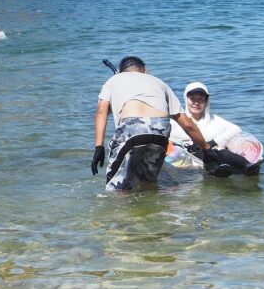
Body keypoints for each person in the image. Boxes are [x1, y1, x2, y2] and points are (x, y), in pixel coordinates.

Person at [92, 56, 218, 190]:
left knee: (117, 186)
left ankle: (119, 208)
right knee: (148, 183)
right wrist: (206, 149)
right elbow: (186, 123)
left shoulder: (113, 80)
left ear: (121, 71)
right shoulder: (159, 83)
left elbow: (101, 111)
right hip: (161, 130)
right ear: (146, 70)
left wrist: (99, 147)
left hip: (131, 128)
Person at [170, 81, 260, 175]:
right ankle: (218, 170)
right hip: (190, 160)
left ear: (206, 101)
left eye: (200, 99)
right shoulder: (178, 121)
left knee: (222, 152)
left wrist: (214, 142)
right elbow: (166, 139)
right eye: (192, 99)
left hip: (216, 154)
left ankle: (250, 166)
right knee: (216, 154)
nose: (196, 103)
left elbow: (237, 129)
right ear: (186, 99)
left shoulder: (215, 120)